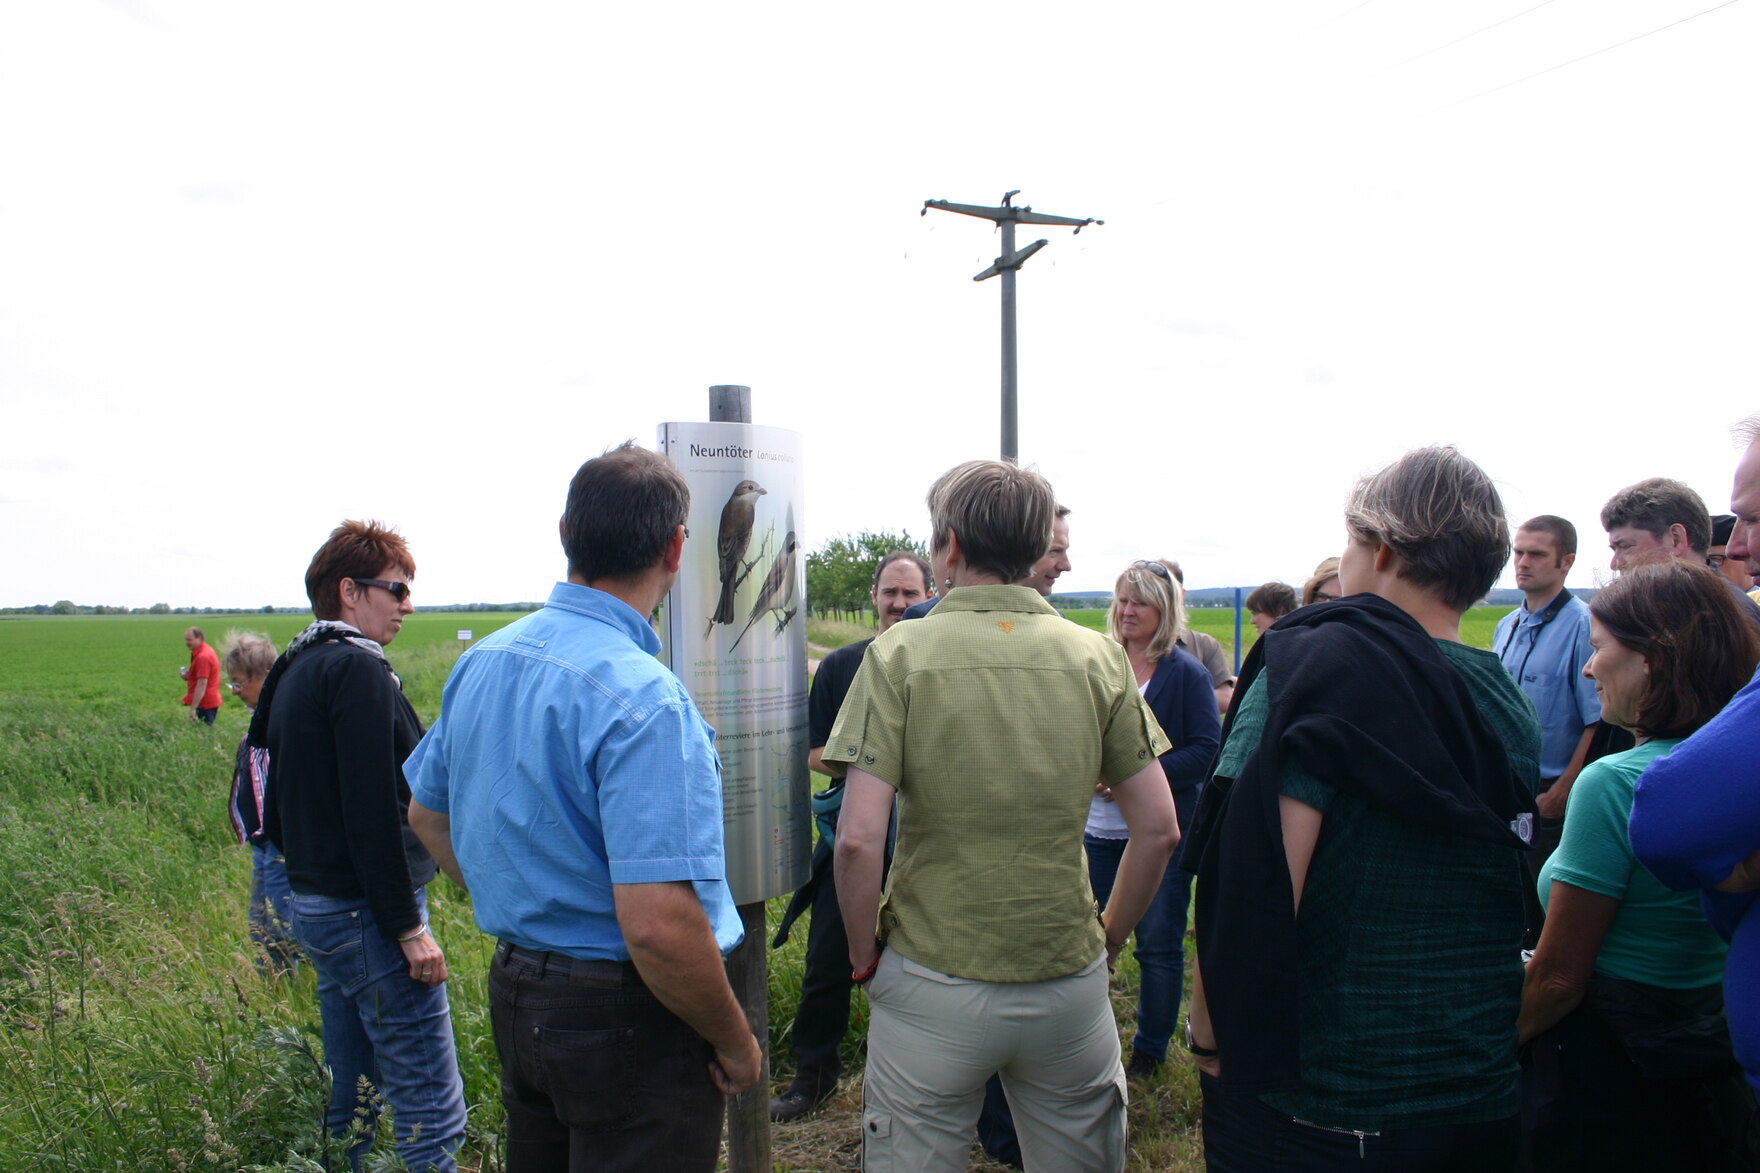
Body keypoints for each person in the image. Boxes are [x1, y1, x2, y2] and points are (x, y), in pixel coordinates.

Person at [405, 443, 760, 1172]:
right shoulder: (648, 698)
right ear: (675, 546)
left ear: (566, 531)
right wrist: (736, 1041)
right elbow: (659, 926)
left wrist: (515, 889)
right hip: (629, 1019)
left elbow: (426, 814)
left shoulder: (485, 661)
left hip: (519, 994)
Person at [1185, 446, 1540, 1172]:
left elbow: (1252, 884)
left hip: (1325, 1099)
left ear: (1380, 549)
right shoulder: (1507, 699)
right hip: (1478, 1088)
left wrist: (1208, 1035)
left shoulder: (1312, 673)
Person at [829, 459, 1179, 1173]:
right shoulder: (1098, 658)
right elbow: (1160, 828)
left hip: (931, 973)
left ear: (949, 546)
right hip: (1064, 976)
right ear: (1035, 548)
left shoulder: (898, 653)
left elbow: (859, 839)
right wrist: (1108, 938)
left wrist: (864, 955)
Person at [1517, 560, 1760, 1171]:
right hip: (1710, 1050)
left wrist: (1489, 1050)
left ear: (1654, 657)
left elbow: (1559, 980)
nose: (1589, 667)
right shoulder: (1737, 780)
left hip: (1610, 1071)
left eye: (1600, 648)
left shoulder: (1615, 783)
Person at [251, 521, 464, 1172]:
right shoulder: (359, 670)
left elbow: (272, 792)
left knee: (356, 1084)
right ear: (350, 590)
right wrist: (406, 927)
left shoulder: (296, 666)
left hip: (315, 906)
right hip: (368, 916)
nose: (407, 604)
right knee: (430, 1099)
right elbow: (373, 811)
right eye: (396, 588)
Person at [769, 551, 932, 1123]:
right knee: (827, 964)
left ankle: (922, 1086)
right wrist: (879, 769)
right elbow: (813, 752)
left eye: (910, 594)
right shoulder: (841, 666)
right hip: (851, 837)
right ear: (873, 595)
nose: (898, 604)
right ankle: (813, 1080)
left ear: (929, 595)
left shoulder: (935, 664)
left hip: (924, 844)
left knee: (929, 966)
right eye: (890, 592)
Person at [1630, 413, 1760, 1098]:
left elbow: (1671, 819)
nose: (1736, 543)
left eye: (1754, 519)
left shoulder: (1621, 784)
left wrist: (1733, 871)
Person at [1086, 557, 1221, 1079]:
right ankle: (1087, 1039)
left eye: (1139, 601)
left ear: (1164, 610)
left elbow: (1207, 750)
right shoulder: (1098, 661)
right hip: (1096, 833)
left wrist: (1134, 776)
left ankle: (1149, 1049)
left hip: (1160, 836)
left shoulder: (1185, 673)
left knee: (1159, 945)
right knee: (1089, 937)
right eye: (1121, 600)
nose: (1127, 611)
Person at [1492, 516, 1602, 949]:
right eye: (1518, 552)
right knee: (1511, 902)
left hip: (1552, 797)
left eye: (1536, 554)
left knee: (1549, 909)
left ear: (1566, 562)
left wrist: (1561, 792)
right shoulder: (1506, 628)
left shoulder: (1582, 626)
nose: (1523, 563)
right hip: (1506, 794)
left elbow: (1599, 720)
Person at [222, 630, 298, 977]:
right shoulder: (260, 719)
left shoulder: (285, 719)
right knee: (261, 919)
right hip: (264, 842)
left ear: (265, 677)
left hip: (282, 844)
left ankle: (287, 979)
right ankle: (273, 980)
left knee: (282, 922)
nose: (235, 692)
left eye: (239, 684)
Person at [1161, 561, 1237, 713]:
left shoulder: (1203, 644)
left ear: (1180, 594)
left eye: (1165, 588)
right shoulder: (1118, 646)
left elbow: (1225, 699)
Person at [179, 626, 222, 724]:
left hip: (205, 703)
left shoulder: (203, 657)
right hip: (206, 701)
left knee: (204, 732)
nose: (187, 643)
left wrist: (193, 709)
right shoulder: (204, 651)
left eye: (189, 640)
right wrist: (187, 676)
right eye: (186, 640)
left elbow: (202, 684)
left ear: (199, 638)